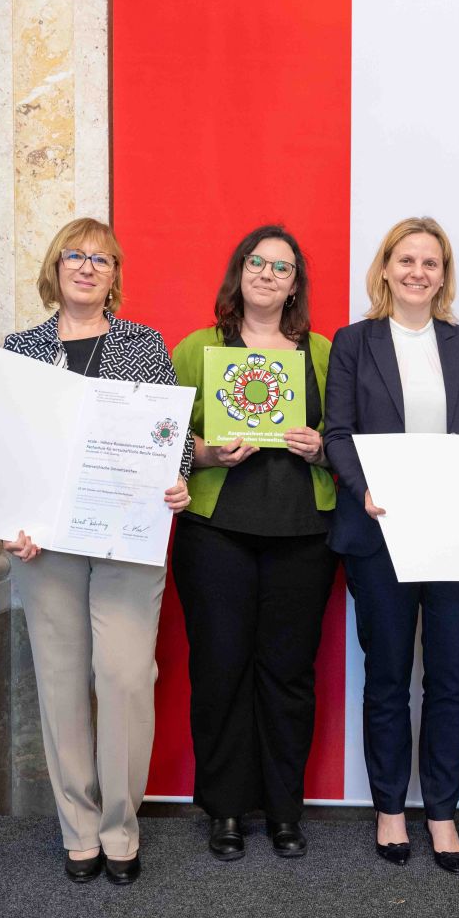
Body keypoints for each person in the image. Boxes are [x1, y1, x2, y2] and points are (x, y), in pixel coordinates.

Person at [0, 218, 193, 885]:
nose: (86, 268)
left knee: (124, 678)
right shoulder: (20, 348)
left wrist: (178, 482)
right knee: (59, 682)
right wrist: (8, 518)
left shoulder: (143, 344)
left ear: (115, 276)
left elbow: (173, 435)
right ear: (55, 267)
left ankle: (121, 824)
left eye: (101, 259)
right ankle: (79, 829)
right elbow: (9, 446)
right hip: (44, 544)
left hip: (126, 537)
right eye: (74, 256)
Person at [324, 218, 459, 875]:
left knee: (451, 679)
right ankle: (391, 806)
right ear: (386, 268)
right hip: (379, 531)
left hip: (453, 534)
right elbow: (337, 431)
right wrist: (363, 488)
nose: (419, 271)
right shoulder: (353, 341)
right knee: (389, 677)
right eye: (407, 259)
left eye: (432, 262)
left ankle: (442, 810)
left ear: (443, 275)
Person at [170, 226, 338, 861]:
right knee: (219, 671)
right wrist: (207, 452)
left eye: (283, 268)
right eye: (258, 263)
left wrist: (320, 447)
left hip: (304, 535)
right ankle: (227, 810)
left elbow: (342, 436)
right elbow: (162, 438)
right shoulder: (196, 348)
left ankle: (285, 811)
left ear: (296, 284)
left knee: (289, 675)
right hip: (216, 534)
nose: (269, 275)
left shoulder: (323, 351)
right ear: (238, 272)